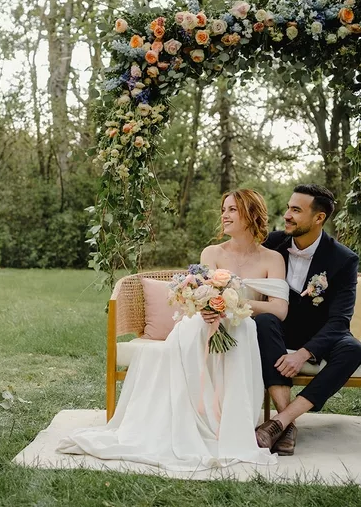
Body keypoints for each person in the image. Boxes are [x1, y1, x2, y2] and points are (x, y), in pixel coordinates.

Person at [57, 189, 289, 470]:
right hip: (203, 322)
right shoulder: (212, 252)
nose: (224, 215)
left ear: (251, 214)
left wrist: (236, 303)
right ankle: (191, 417)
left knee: (244, 329)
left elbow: (279, 310)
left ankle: (228, 423)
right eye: (223, 209)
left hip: (242, 323)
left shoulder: (272, 259)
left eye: (232, 210)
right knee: (193, 329)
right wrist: (211, 304)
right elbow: (203, 293)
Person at [254, 184, 361, 456]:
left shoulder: (343, 259)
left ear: (319, 218)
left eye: (296, 210)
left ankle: (280, 422)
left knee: (354, 349)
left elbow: (340, 320)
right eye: (288, 208)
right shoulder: (272, 243)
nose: (287, 215)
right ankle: (287, 425)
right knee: (263, 320)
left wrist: (304, 354)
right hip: (278, 327)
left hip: (319, 333)